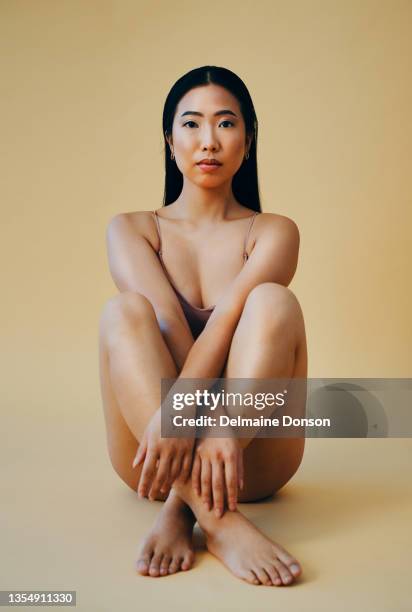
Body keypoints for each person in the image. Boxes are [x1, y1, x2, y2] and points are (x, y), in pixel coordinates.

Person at [98, 66, 308, 587]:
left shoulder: (273, 231)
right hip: (151, 456)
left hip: (245, 454)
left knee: (273, 303)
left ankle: (181, 509)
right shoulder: (132, 229)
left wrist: (219, 429)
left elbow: (225, 326)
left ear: (249, 138)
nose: (208, 141)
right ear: (170, 141)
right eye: (191, 124)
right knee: (123, 312)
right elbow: (168, 325)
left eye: (225, 124)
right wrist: (176, 425)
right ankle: (217, 521)